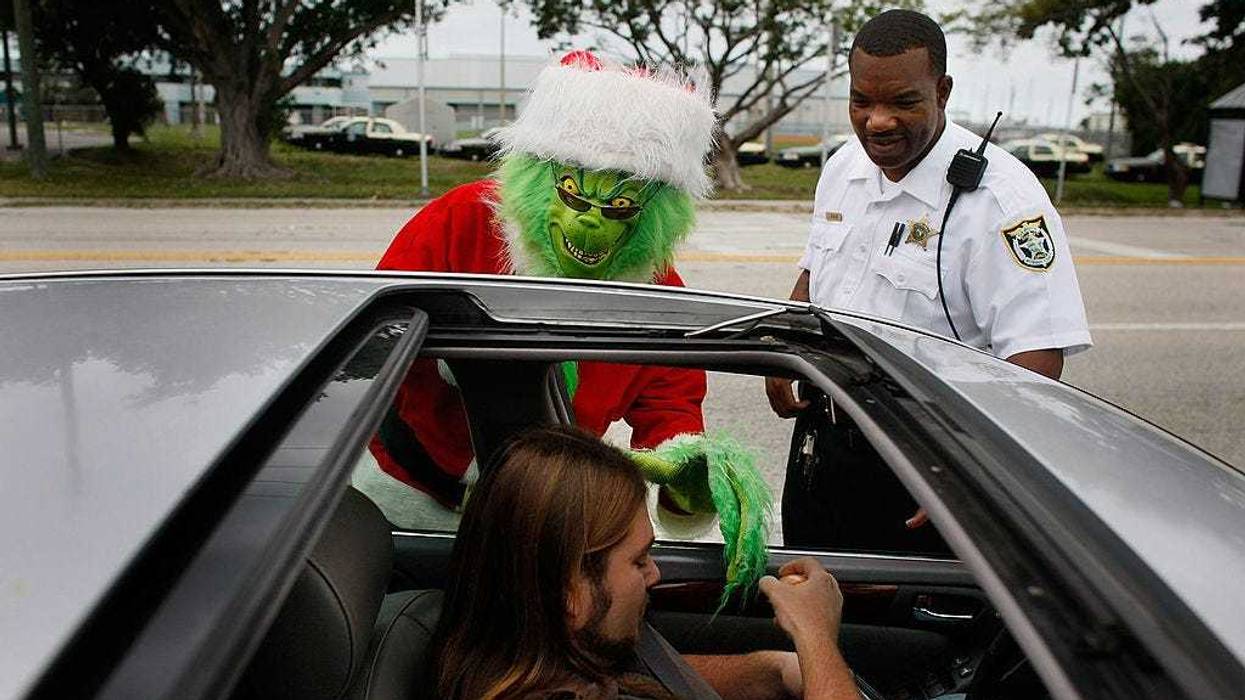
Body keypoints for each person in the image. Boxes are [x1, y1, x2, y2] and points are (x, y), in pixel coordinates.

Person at [765, 9, 1093, 549]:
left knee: (899, 627)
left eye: (903, 102)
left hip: (928, 456)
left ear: (942, 91)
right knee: (812, 598)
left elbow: (1035, 358)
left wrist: (970, 468)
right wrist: (787, 340)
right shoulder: (844, 167)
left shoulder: (1001, 200)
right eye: (861, 101)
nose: (877, 121)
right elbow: (817, 267)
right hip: (823, 440)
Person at [433, 426, 860, 700]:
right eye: (638, 561)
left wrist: (775, 669)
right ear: (570, 594)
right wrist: (815, 637)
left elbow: (647, 677)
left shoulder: (554, 661)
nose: (655, 573)